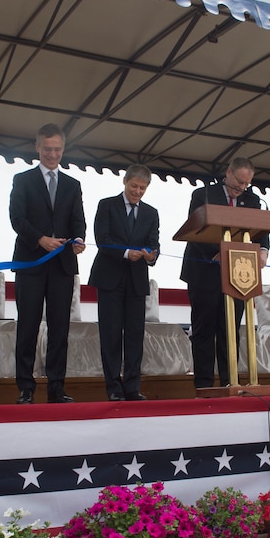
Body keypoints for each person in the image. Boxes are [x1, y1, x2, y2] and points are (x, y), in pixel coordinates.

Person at [9, 123, 86, 404]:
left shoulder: (72, 185)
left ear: (63, 149)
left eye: (57, 150)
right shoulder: (23, 180)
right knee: (27, 327)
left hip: (62, 267)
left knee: (59, 329)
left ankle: (56, 387)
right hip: (31, 263)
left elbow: (78, 219)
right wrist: (40, 239)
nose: (52, 154)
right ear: (37, 147)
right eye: (47, 149)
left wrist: (78, 240)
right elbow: (17, 218)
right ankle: (26, 388)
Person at [180, 157, 269, 389]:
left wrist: (263, 252)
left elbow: (261, 231)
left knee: (230, 330)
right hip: (204, 272)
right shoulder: (203, 195)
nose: (241, 188)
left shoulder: (252, 200)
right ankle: (205, 385)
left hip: (238, 276)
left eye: (246, 184)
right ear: (228, 173)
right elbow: (196, 228)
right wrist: (217, 254)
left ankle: (231, 382)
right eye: (238, 182)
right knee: (204, 330)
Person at [89, 164, 160, 401]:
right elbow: (103, 239)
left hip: (137, 282)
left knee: (134, 336)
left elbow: (153, 243)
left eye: (143, 188)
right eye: (134, 186)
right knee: (110, 335)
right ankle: (113, 388)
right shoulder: (107, 205)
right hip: (110, 278)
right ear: (125, 182)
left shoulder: (151, 213)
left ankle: (132, 387)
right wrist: (126, 253)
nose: (138, 191)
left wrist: (151, 255)